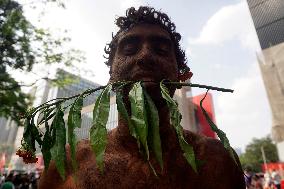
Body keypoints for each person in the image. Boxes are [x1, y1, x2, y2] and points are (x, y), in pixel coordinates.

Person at [38, 6, 245, 188]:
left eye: (162, 50)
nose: (145, 56)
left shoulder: (220, 161)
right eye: (129, 49)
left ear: (181, 75)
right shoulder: (67, 164)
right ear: (111, 75)